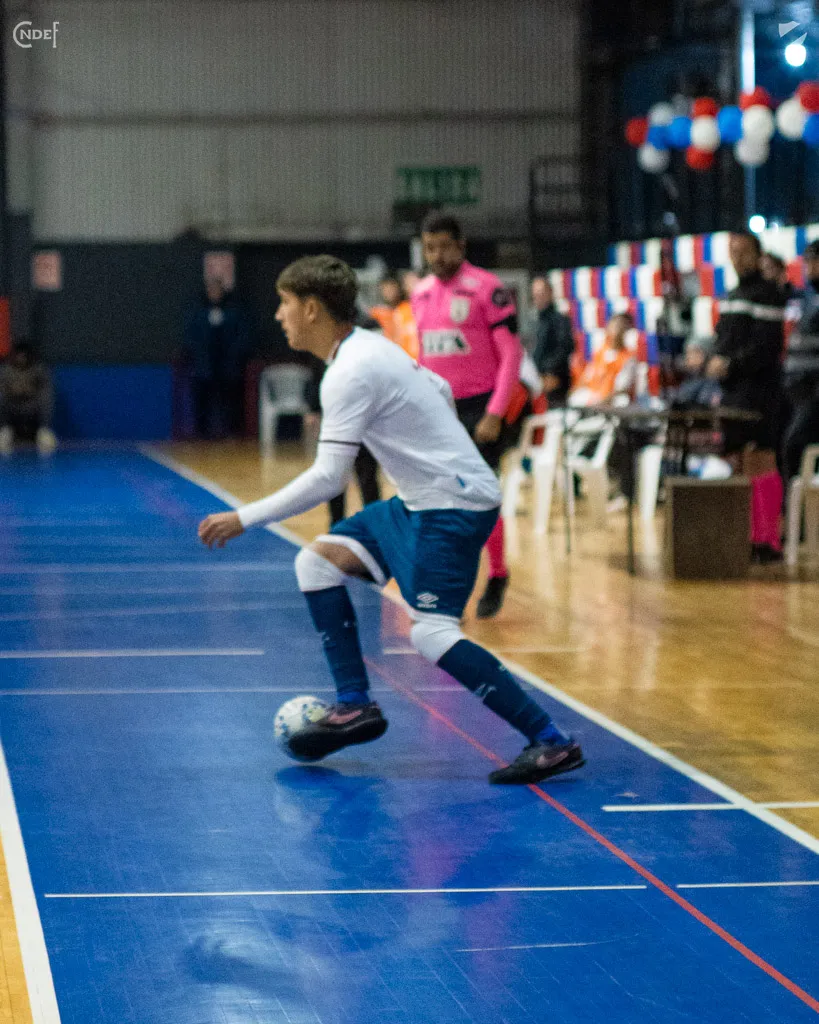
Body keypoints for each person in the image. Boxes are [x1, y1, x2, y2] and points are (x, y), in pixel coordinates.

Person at [198, 255, 582, 785]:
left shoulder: (350, 371)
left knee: (432, 634)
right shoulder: (369, 347)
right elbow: (439, 389)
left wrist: (244, 517)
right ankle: (355, 704)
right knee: (316, 564)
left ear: (312, 309)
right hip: (421, 501)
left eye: (284, 304)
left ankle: (550, 741)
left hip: (452, 506)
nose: (279, 315)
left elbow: (329, 478)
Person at [411, 213, 523, 619]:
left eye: (444, 246)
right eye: (430, 248)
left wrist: (495, 413)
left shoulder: (488, 289)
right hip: (439, 411)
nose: (437, 255)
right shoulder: (420, 293)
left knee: (479, 499)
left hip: (481, 409)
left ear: (461, 246)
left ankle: (497, 573)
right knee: (440, 501)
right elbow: (424, 355)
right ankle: (450, 588)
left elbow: (512, 355)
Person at [708, 232, 787, 562]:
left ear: (757, 254)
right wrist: (711, 359)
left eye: (743, 251)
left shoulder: (768, 294)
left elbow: (767, 347)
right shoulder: (731, 296)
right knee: (739, 462)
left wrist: (731, 364)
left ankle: (768, 541)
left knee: (761, 461)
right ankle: (746, 536)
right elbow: (723, 340)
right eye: (732, 251)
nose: (737, 258)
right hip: (733, 394)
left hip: (760, 394)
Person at [183, 277, 252, 438]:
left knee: (230, 402)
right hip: (204, 366)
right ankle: (202, 435)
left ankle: (232, 433)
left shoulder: (234, 310)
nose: (214, 293)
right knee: (202, 401)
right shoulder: (198, 311)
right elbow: (190, 336)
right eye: (211, 290)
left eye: (217, 290)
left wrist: (235, 355)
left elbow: (243, 335)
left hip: (229, 366)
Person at [782, 240, 819, 483]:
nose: (810, 267)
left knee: (795, 446)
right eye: (808, 262)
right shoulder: (807, 299)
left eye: (815, 261)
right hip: (796, 391)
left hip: (813, 392)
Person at [568, 312, 637, 408]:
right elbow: (587, 377)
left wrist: (601, 402)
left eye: (621, 327)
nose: (617, 330)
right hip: (594, 396)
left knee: (621, 401)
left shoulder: (628, 358)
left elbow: (621, 388)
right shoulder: (600, 352)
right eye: (614, 326)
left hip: (610, 402)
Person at [0, 342, 57, 454]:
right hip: (12, 407)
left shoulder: (39, 369)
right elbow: (2, 388)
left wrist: (28, 390)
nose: (21, 358)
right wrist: (14, 391)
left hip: (32, 407)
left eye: (24, 355)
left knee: (46, 397)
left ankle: (43, 431)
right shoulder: (5, 370)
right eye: (19, 355)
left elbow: (45, 389)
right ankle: (4, 430)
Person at [529, 276, 574, 404]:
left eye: (541, 294)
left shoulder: (560, 320)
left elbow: (565, 348)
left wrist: (547, 372)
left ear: (550, 293)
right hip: (535, 378)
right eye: (535, 295)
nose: (538, 298)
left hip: (554, 380)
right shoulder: (533, 322)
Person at [370, 275, 419, 360]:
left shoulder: (406, 309)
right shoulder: (377, 313)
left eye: (391, 288)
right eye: (386, 289)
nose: (389, 292)